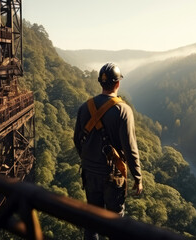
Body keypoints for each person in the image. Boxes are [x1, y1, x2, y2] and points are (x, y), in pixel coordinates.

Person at [74, 62, 143, 240]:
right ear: (118, 83)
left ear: (100, 82)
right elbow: (130, 147)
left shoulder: (85, 107)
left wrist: (88, 160)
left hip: (90, 174)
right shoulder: (123, 110)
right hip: (112, 176)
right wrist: (138, 177)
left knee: (92, 221)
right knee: (115, 224)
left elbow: (77, 139)